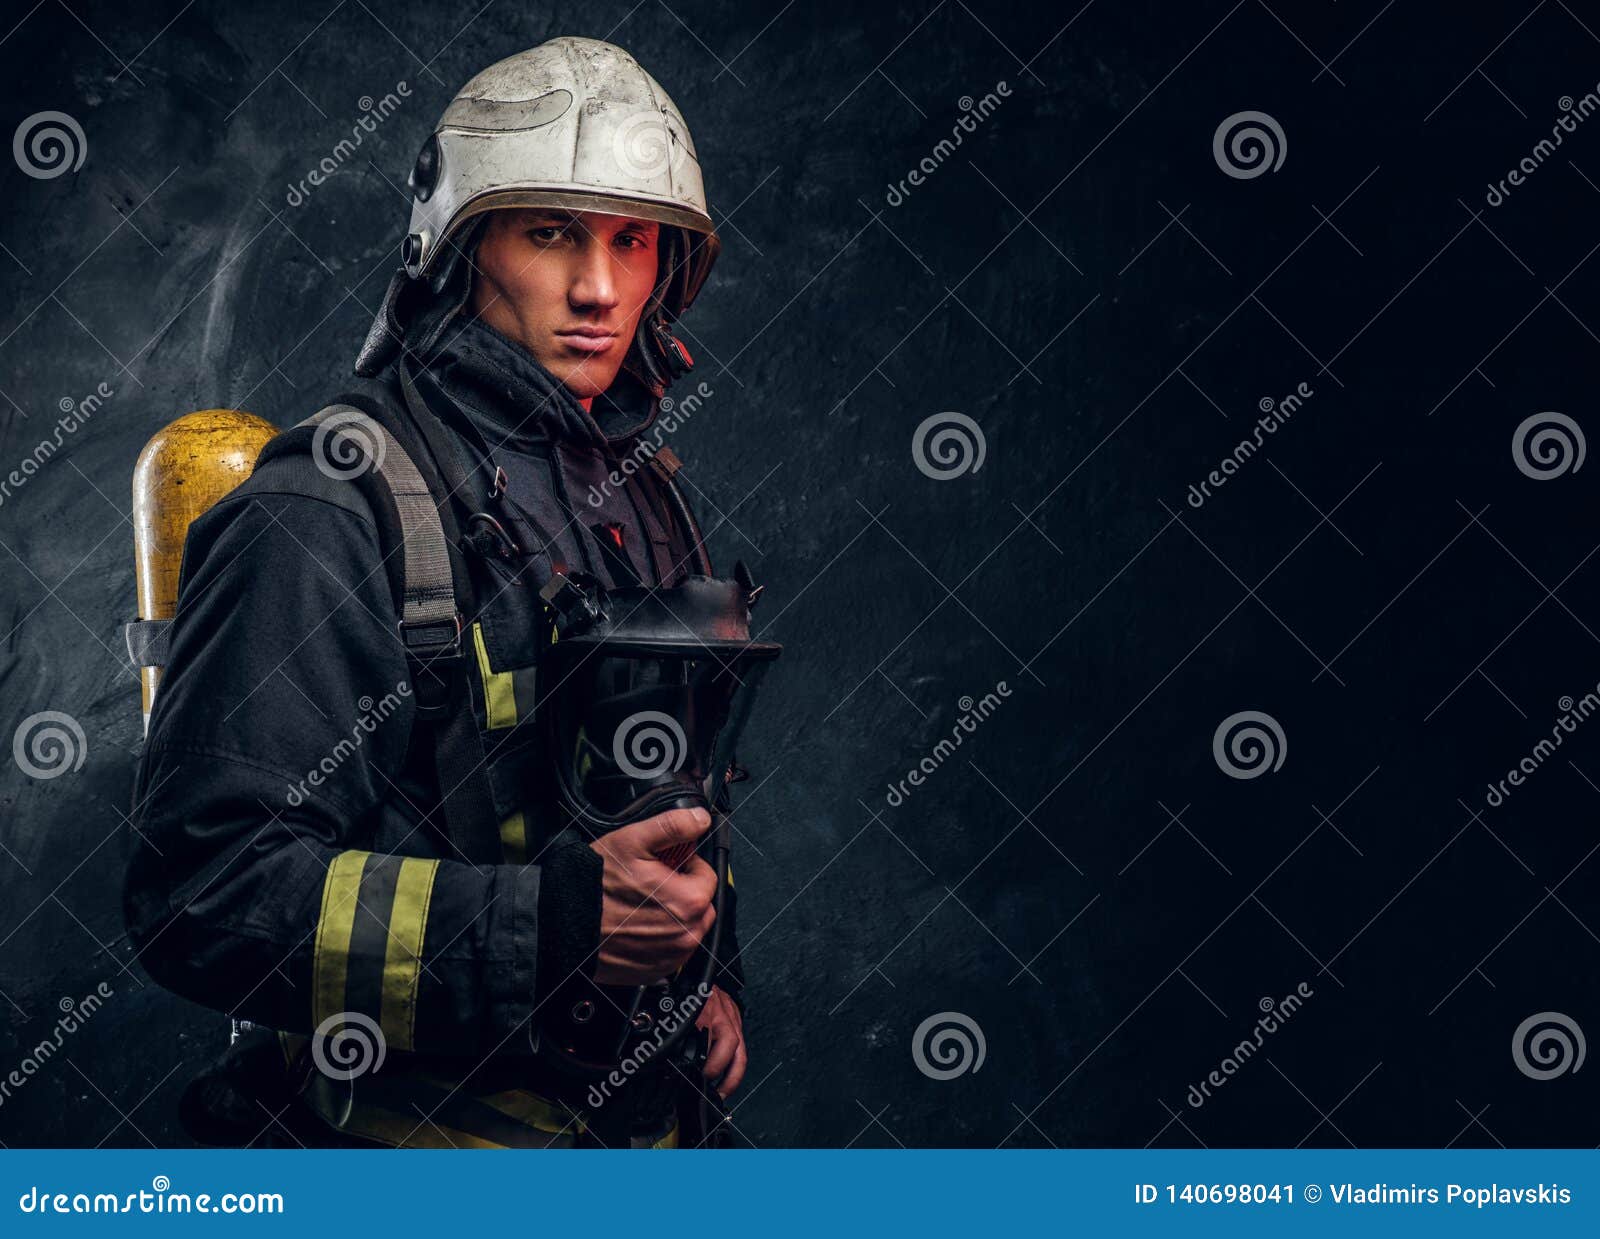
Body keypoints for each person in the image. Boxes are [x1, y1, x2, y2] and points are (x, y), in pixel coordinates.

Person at [124, 36, 751, 1149]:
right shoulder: (331, 507)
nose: (599, 287)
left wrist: (702, 970)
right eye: (550, 232)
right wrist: (552, 927)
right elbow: (204, 895)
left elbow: (654, 793)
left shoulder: (640, 497)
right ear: (456, 245)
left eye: (632, 239)